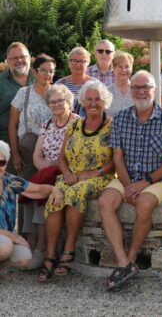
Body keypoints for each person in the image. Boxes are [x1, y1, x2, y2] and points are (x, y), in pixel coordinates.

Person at [98, 70, 162, 292]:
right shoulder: (121, 118)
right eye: (137, 87)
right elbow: (117, 157)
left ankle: (132, 257)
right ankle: (123, 261)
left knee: (144, 204)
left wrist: (143, 183)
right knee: (105, 202)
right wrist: (127, 186)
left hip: (157, 179)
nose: (141, 91)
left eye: (146, 87)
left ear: (155, 90)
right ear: (131, 91)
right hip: (126, 176)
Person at [37, 81, 115, 282]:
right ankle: (51, 254)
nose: (93, 103)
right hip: (71, 175)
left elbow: (116, 160)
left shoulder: (113, 125)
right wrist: (67, 173)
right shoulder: (74, 125)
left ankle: (69, 250)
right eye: (89, 99)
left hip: (100, 177)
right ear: (82, 101)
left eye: (98, 99)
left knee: (75, 193)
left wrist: (93, 173)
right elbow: (62, 156)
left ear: (105, 101)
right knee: (56, 195)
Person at [19, 84, 79, 270]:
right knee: (30, 190)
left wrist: (53, 167)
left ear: (70, 102)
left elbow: (76, 156)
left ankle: (42, 248)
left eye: (60, 101)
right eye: (52, 102)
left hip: (66, 173)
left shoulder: (77, 124)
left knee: (43, 193)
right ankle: (31, 241)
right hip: (47, 171)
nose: (56, 105)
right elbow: (37, 155)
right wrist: (43, 167)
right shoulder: (47, 124)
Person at [8, 54, 55, 246]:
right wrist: (16, 154)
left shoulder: (57, 93)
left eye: (51, 71)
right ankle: (25, 240)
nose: (47, 74)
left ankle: (46, 241)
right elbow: (12, 125)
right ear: (35, 72)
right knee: (26, 192)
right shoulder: (24, 93)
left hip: (49, 152)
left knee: (45, 193)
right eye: (43, 70)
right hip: (27, 149)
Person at [0, 140, 62, 269]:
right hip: (5, 238)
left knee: (24, 259)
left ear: (6, 163)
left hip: (4, 237)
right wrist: (13, 236)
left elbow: (37, 190)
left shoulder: (9, 180)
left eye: (1, 162)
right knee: (5, 247)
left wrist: (53, 189)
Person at [0, 42, 34, 146]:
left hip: (37, 142)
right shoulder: (1, 82)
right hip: (6, 143)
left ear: (29, 58)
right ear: (8, 61)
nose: (19, 60)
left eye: (23, 56)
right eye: (14, 58)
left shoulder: (41, 78)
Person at [55, 47, 97, 114]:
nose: (78, 64)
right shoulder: (59, 84)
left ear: (88, 63)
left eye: (82, 61)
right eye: (74, 61)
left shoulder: (96, 85)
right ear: (69, 63)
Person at [106, 51, 134, 117]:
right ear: (113, 68)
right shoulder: (106, 92)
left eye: (127, 67)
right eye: (120, 67)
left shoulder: (138, 90)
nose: (124, 70)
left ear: (131, 68)